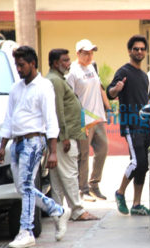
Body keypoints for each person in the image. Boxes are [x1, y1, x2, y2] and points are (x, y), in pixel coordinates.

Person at [0, 46, 71, 248]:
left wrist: (53, 151)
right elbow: (9, 119)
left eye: (21, 65)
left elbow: (51, 119)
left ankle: (26, 231)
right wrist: (2, 146)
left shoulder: (44, 86)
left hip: (34, 142)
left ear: (32, 64)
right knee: (23, 188)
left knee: (26, 186)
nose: (18, 69)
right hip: (16, 143)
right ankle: (58, 211)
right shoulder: (15, 88)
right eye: (16, 65)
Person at [46, 48, 99, 221]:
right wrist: (65, 136)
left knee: (59, 176)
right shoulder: (55, 81)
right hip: (63, 137)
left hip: (63, 135)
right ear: (55, 63)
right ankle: (77, 210)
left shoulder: (58, 79)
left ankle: (57, 211)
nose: (69, 64)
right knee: (69, 173)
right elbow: (58, 110)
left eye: (69, 60)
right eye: (65, 61)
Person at [106, 35, 150, 216]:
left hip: (145, 125)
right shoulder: (123, 71)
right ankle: (119, 193)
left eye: (142, 49)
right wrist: (116, 90)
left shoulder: (144, 76)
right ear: (129, 51)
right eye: (136, 49)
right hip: (131, 124)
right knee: (137, 162)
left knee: (144, 166)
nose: (139, 52)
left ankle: (136, 204)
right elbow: (111, 92)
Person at [66, 39, 108, 202]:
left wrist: (108, 106)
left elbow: (99, 87)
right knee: (83, 156)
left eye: (91, 53)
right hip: (83, 120)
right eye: (86, 53)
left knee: (102, 151)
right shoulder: (72, 72)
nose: (89, 56)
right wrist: (79, 122)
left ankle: (94, 185)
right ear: (77, 53)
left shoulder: (92, 66)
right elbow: (70, 99)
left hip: (98, 117)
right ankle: (82, 190)